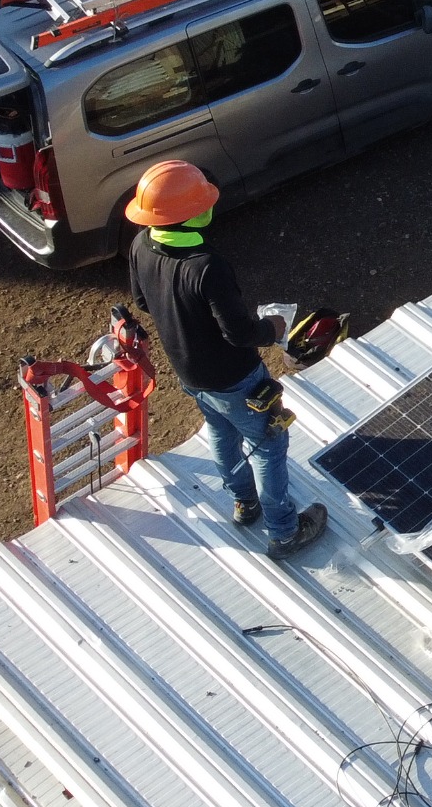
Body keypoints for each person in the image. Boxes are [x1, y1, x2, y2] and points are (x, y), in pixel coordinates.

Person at [124, 159, 329, 557]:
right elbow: (239, 334)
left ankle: (244, 503)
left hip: (190, 374)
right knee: (268, 446)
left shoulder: (140, 244)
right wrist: (273, 327)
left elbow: (143, 301)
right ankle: (285, 532)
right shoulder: (207, 266)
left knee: (220, 432)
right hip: (236, 377)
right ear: (193, 214)